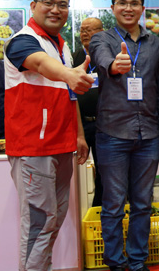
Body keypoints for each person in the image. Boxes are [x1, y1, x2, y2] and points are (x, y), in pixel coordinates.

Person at [4, 0, 92, 271]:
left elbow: (69, 95)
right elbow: (41, 64)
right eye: (48, 3)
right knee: (39, 223)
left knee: (53, 221)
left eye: (62, 5)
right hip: (33, 147)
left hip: (62, 145)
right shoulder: (22, 40)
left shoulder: (62, 46)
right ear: (33, 6)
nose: (56, 10)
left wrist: (79, 135)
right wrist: (68, 74)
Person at [88, 0, 159, 271]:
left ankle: (137, 262)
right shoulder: (101, 39)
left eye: (134, 3)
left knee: (143, 203)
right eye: (122, 3)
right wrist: (115, 66)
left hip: (149, 135)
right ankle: (115, 262)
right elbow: (102, 60)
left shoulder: (157, 45)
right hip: (112, 134)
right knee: (112, 204)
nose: (128, 8)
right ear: (113, 8)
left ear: (142, 8)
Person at [72, 16, 104, 206]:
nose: (85, 33)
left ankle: (99, 207)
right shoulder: (74, 58)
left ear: (101, 32)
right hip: (81, 124)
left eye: (90, 30)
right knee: (78, 169)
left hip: (103, 123)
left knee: (104, 169)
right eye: (82, 30)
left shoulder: (106, 57)